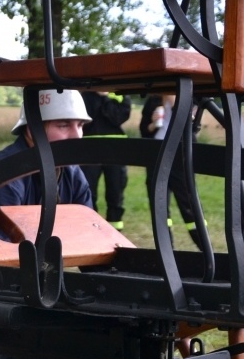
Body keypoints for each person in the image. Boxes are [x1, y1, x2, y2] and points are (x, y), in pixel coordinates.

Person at [0, 88, 93, 241]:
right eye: (63, 125)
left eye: (80, 125)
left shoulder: (71, 172)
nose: (77, 136)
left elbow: (89, 234)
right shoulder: (6, 175)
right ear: (32, 129)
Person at [140, 94, 203, 249]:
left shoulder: (190, 98)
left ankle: (204, 248)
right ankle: (166, 250)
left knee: (189, 205)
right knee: (159, 205)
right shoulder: (153, 101)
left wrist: (175, 105)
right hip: (156, 156)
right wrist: (153, 124)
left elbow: (193, 128)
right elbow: (144, 130)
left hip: (180, 158)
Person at [80, 91, 132, 230]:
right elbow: (86, 120)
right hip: (89, 149)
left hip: (115, 149)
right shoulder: (85, 95)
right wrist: (98, 96)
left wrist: (106, 98)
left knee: (116, 191)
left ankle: (116, 228)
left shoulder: (121, 94)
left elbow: (117, 118)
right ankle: (90, 226)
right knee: (88, 190)